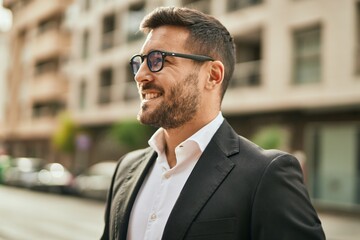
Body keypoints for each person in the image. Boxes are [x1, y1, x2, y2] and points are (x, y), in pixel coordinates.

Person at [101, 6, 325, 240]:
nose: (140, 75)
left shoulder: (266, 175)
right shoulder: (126, 168)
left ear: (213, 75)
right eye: (141, 62)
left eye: (158, 59)